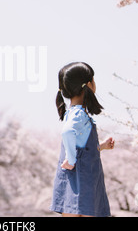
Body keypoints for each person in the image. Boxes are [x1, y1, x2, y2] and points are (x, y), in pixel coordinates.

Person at [49, 62, 114, 217]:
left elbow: (80, 147)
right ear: (89, 84)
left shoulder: (72, 112)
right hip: (85, 183)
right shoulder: (79, 114)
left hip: (72, 183)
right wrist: (70, 160)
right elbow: (67, 132)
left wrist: (101, 146)